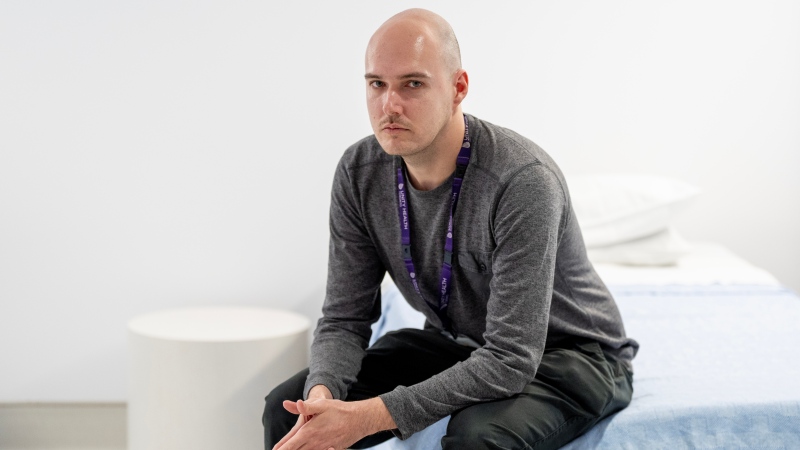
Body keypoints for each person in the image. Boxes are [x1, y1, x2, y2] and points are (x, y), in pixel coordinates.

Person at [263, 8, 638, 450]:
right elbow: (345, 318)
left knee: (479, 437)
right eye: (377, 85)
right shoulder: (359, 173)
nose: (390, 105)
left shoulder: (521, 181)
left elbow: (511, 359)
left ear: (458, 87)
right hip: (459, 342)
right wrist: (323, 400)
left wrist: (367, 417)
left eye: (413, 84)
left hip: (571, 355)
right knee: (286, 406)